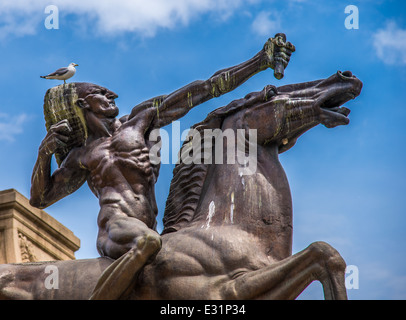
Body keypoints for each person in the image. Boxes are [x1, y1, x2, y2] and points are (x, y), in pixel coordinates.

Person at [30, 35, 295, 299]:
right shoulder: (81, 155)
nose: (111, 94)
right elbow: (41, 198)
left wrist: (260, 61)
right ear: (82, 104)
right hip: (116, 227)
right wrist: (44, 153)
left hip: (146, 227)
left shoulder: (140, 120)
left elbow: (205, 89)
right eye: (99, 92)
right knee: (148, 242)